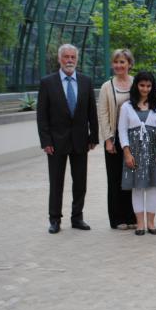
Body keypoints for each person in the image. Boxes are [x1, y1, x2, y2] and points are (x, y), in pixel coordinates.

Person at [37, 43, 99, 234]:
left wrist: (93, 136)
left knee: (80, 183)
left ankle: (77, 217)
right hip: (55, 143)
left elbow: (91, 112)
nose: (70, 60)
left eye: (73, 57)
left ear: (77, 59)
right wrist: (46, 141)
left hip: (80, 141)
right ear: (59, 59)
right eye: (66, 57)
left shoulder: (86, 81)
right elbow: (42, 115)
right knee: (56, 183)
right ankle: (54, 220)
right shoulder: (47, 82)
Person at [118, 71, 156, 236]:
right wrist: (127, 152)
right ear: (136, 86)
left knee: (153, 187)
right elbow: (122, 131)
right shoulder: (126, 106)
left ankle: (151, 223)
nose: (145, 89)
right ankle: (140, 224)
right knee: (137, 188)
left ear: (152, 87)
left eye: (148, 85)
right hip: (135, 152)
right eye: (142, 85)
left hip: (154, 151)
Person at [98, 48, 137, 230]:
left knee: (132, 178)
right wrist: (108, 138)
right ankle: (117, 218)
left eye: (122, 62)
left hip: (134, 139)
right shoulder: (107, 86)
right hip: (115, 139)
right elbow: (103, 114)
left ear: (129, 64)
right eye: (116, 62)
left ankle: (132, 216)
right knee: (115, 179)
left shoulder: (137, 83)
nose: (119, 65)